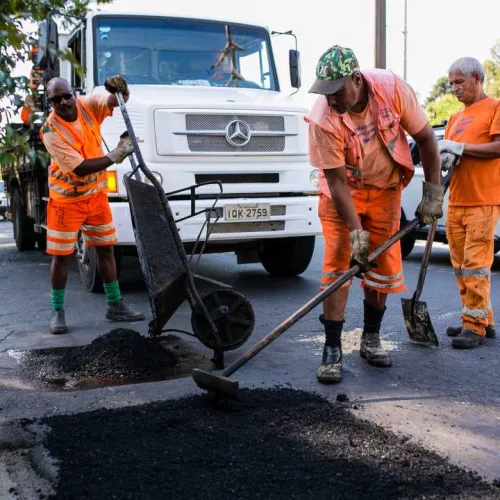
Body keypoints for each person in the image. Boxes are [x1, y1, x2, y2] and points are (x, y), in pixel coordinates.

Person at [306, 45, 443, 384]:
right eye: (325, 93)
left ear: (356, 79)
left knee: (380, 266)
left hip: (385, 190)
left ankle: (371, 338)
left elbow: (427, 140)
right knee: (339, 265)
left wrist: (432, 195)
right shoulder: (322, 117)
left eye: (336, 92)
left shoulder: (392, 90)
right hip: (342, 196)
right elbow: (336, 182)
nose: (331, 100)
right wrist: (356, 235)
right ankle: (333, 349)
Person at [40, 75, 145, 335]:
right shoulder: (50, 131)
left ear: (74, 94)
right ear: (50, 102)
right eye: (56, 99)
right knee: (62, 257)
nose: (64, 102)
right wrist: (117, 154)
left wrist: (121, 92)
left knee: (106, 250)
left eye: (67, 96)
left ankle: (115, 305)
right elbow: (80, 168)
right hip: (67, 202)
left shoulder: (87, 106)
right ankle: (58, 311)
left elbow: (113, 101)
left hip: (96, 198)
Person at [437, 57, 500, 349]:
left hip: (482, 200)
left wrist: (463, 148)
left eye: (459, 82)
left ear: (477, 78)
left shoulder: (495, 107)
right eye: (451, 83)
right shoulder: (454, 119)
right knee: (462, 266)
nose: (454, 88)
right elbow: (452, 162)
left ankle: (473, 327)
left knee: (476, 265)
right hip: (457, 201)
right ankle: (477, 318)